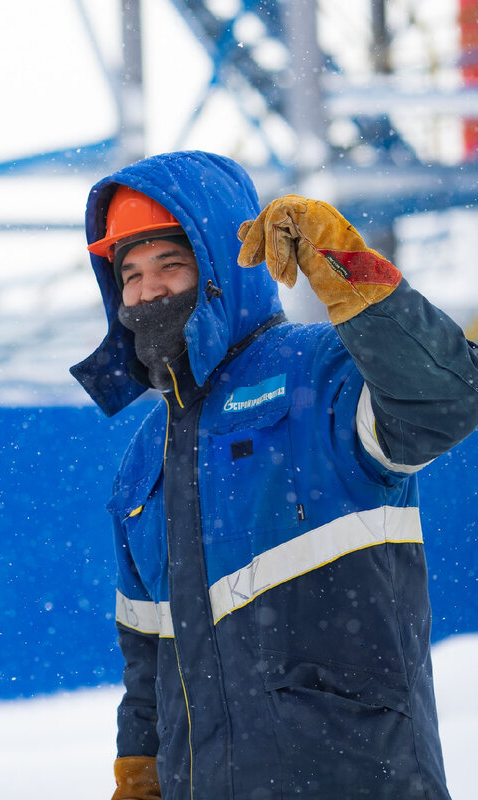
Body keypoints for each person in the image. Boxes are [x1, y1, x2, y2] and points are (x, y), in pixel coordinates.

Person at [70, 150, 478, 799]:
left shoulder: (322, 373)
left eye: (170, 265)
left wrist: (347, 269)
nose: (148, 292)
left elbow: (446, 401)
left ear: (221, 271)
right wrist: (140, 776)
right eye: (131, 274)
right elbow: (148, 663)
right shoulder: (142, 463)